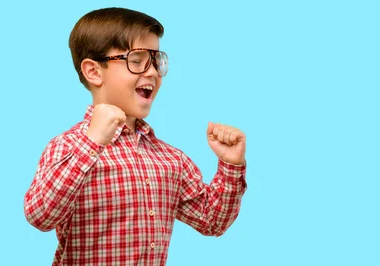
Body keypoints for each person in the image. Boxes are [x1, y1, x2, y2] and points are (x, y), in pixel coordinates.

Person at [23, 7, 247, 266]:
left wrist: (231, 166)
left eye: (156, 61)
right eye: (137, 60)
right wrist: (91, 143)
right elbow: (40, 216)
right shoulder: (67, 147)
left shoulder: (170, 159)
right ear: (94, 72)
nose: (152, 72)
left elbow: (212, 221)